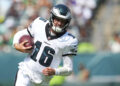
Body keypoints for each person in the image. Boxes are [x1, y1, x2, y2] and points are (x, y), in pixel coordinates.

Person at [13, 4, 78, 86]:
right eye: (57, 19)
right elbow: (21, 33)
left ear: (67, 22)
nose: (59, 23)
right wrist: (16, 45)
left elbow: (69, 69)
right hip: (26, 73)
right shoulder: (39, 23)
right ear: (52, 17)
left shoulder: (69, 41)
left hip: (43, 82)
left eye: (63, 21)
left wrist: (55, 71)